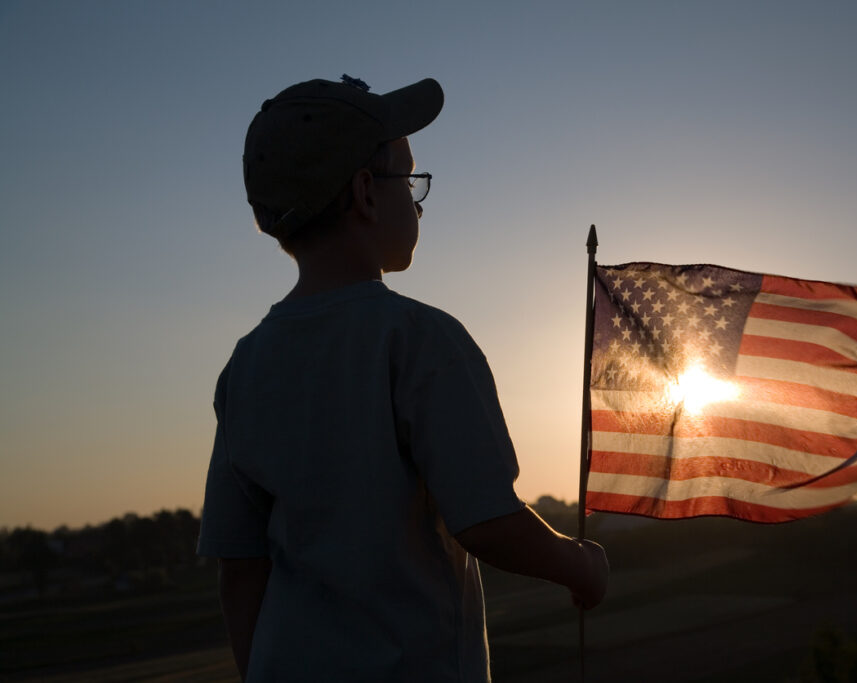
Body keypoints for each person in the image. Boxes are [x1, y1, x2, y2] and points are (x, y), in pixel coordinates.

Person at [196, 74, 609, 682]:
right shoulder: (421, 340)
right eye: (410, 180)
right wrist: (580, 565)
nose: (417, 201)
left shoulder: (245, 365)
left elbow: (239, 566)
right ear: (365, 192)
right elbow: (487, 520)